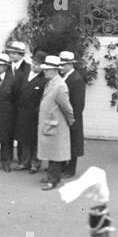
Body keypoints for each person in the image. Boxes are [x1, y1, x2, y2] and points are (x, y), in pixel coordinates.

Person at [37, 54, 75, 190]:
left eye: (47, 69)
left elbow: (67, 108)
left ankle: (53, 180)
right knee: (51, 151)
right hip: (50, 124)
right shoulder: (51, 83)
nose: (44, 71)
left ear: (54, 70)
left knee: (55, 153)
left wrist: (71, 122)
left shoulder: (60, 86)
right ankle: (51, 176)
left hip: (56, 124)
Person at [60, 51, 87, 176]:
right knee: (66, 142)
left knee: (73, 143)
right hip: (64, 116)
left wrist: (72, 118)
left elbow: (78, 103)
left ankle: (70, 170)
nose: (61, 68)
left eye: (63, 65)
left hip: (72, 116)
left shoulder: (76, 79)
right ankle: (63, 167)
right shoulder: (64, 77)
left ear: (70, 64)